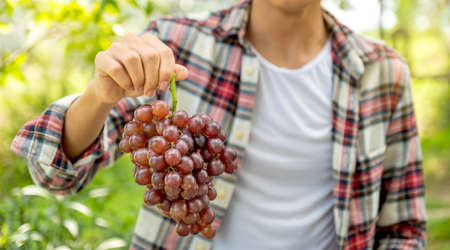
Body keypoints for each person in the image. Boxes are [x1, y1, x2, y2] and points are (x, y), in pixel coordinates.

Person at [11, 0, 427, 249]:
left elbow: (403, 226)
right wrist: (99, 95)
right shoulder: (177, 43)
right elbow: (55, 175)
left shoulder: (382, 71)